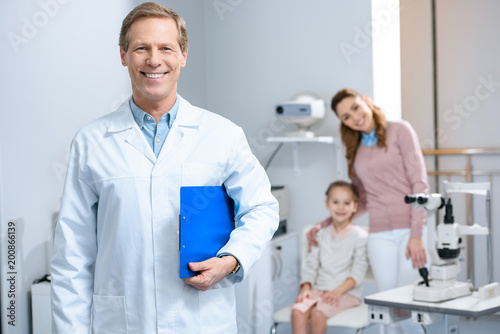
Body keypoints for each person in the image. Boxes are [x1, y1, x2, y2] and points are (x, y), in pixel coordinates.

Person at [50, 3, 278, 333]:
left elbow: (262, 208)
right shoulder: (91, 141)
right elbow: (72, 255)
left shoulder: (222, 135)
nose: (154, 60)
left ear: (183, 55)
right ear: (123, 55)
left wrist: (230, 260)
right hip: (124, 322)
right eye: (141, 47)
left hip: (200, 320)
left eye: (166, 48)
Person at [307, 88, 428, 333]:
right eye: (346, 117)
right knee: (386, 302)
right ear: (343, 123)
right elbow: (361, 200)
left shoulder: (400, 130)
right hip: (380, 233)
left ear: (366, 101)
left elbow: (420, 184)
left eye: (355, 107)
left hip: (410, 230)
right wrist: (326, 223)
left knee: (410, 302)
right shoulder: (355, 149)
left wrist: (416, 235)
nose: (354, 117)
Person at [292, 181, 368, 334]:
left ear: (354, 206)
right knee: (297, 312)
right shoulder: (320, 234)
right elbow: (311, 265)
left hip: (346, 293)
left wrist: (337, 292)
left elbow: (358, 273)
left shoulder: (360, 237)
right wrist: (306, 288)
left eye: (346, 203)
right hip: (318, 290)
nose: (340, 207)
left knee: (318, 314)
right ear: (327, 204)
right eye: (335, 202)